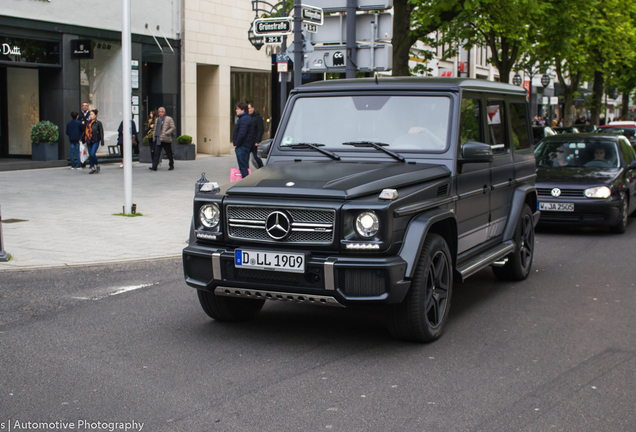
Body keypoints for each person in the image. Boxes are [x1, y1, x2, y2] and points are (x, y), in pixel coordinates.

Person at [150, 107, 175, 171]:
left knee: (169, 153)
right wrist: (154, 136)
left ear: (164, 112)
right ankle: (154, 166)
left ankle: (171, 164)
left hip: (166, 139)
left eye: (162, 112)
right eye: (159, 112)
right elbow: (155, 128)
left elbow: (173, 127)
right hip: (158, 138)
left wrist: (166, 133)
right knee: (156, 153)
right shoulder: (157, 119)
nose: (160, 113)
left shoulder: (169, 119)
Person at [233, 102, 253, 178]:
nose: (236, 110)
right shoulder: (245, 118)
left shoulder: (244, 119)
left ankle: (246, 183)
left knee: (243, 166)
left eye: (238, 109)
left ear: (243, 110)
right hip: (245, 145)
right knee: (244, 165)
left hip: (242, 146)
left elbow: (242, 133)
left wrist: (237, 143)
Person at [83, 109, 104, 174]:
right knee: (90, 155)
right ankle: (93, 167)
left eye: (92, 114)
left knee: (92, 153)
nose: (91, 116)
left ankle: (97, 164)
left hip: (96, 140)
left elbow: (101, 132)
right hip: (89, 140)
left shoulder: (98, 123)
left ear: (95, 115)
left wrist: (102, 140)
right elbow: (85, 131)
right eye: (90, 114)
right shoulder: (88, 123)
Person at [247, 102, 264, 169]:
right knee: (249, 159)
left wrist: (257, 140)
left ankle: (262, 169)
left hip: (254, 142)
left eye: (249, 108)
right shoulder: (246, 117)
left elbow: (260, 130)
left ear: (252, 108)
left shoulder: (258, 118)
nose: (248, 110)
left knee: (256, 158)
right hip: (248, 142)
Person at [78, 102, 91, 168]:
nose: (84, 107)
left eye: (86, 105)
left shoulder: (90, 114)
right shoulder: (79, 114)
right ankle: (83, 162)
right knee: (82, 149)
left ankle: (91, 163)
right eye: (83, 106)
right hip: (81, 134)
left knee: (90, 149)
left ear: (88, 107)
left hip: (88, 134)